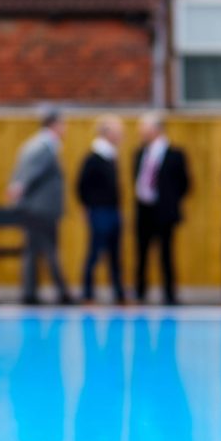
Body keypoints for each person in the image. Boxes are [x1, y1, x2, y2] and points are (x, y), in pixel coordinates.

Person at [6, 107, 72, 305]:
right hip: (41, 208)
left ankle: (30, 292)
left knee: (34, 250)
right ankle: (61, 293)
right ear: (54, 125)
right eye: (63, 124)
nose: (66, 128)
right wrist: (19, 187)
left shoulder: (37, 144)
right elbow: (31, 171)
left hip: (37, 207)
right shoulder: (44, 146)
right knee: (48, 249)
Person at [132, 112, 191, 305]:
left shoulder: (175, 155)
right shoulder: (140, 153)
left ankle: (169, 293)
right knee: (141, 253)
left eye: (145, 129)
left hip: (164, 211)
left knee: (166, 253)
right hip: (144, 209)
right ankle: (140, 292)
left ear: (156, 130)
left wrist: (168, 201)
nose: (141, 133)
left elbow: (185, 184)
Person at [76, 116, 125, 304]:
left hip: (112, 211)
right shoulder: (93, 158)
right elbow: (81, 185)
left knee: (115, 255)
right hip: (99, 211)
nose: (121, 136)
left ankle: (119, 294)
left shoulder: (112, 156)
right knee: (95, 253)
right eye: (117, 132)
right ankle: (88, 293)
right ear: (107, 134)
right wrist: (86, 207)